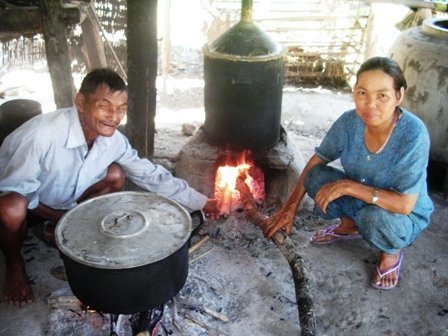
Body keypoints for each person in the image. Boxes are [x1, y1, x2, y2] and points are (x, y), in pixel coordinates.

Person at [0, 68, 217, 306]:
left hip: (66, 200)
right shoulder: (41, 135)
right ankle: (14, 263)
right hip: (29, 206)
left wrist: (201, 202)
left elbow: (149, 174)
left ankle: (59, 227)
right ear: (81, 102)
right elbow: (21, 190)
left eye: (121, 108)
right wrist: (61, 217)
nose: (114, 116)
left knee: (116, 174)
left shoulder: (112, 140)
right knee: (10, 209)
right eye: (104, 106)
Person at [262, 56, 433, 290]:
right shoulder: (349, 122)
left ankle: (391, 252)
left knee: (374, 218)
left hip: (401, 216)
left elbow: (404, 205)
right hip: (361, 199)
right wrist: (289, 207)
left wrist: (347, 186)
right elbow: (317, 160)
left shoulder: (413, 134)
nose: (370, 104)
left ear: (399, 95)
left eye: (382, 95)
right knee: (316, 177)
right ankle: (350, 224)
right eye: (362, 93)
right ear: (354, 92)